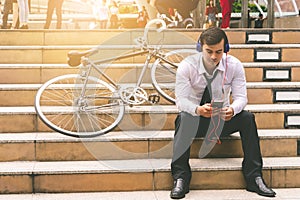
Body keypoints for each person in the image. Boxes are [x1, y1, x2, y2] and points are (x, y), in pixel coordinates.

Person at [170, 27, 276, 199]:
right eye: (209, 51)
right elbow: (181, 101)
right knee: (183, 118)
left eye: (219, 52)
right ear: (199, 48)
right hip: (197, 121)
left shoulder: (234, 66)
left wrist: (233, 109)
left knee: (247, 118)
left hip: (223, 121)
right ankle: (180, 177)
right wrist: (198, 110)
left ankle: (254, 177)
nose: (213, 56)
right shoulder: (186, 67)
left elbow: (242, 98)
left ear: (225, 49)